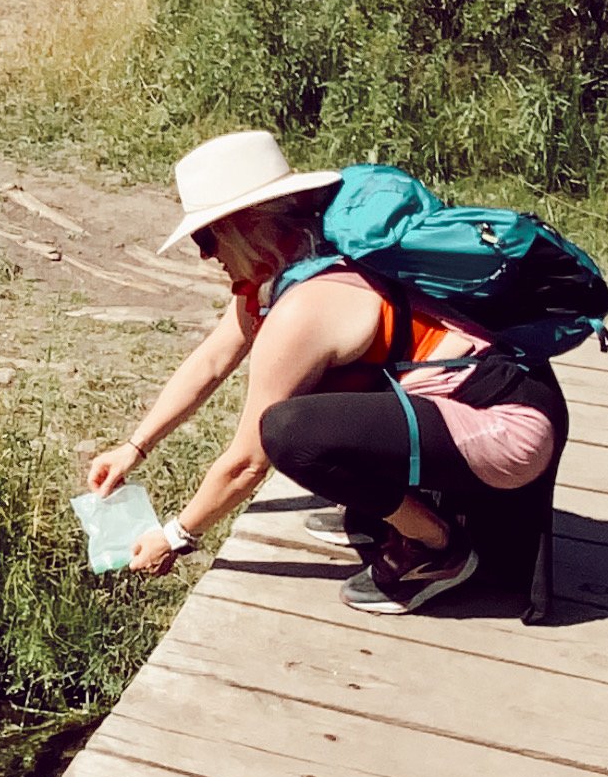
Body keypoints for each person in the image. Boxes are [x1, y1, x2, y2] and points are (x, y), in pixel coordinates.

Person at [86, 130, 565, 616]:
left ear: (246, 225)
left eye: (206, 237)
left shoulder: (305, 307)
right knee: (312, 413)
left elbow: (247, 462)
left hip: (508, 427)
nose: (204, 255)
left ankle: (437, 548)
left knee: (291, 433)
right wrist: (134, 447)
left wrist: (175, 536)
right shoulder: (296, 260)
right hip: (492, 394)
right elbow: (211, 362)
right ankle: (383, 512)